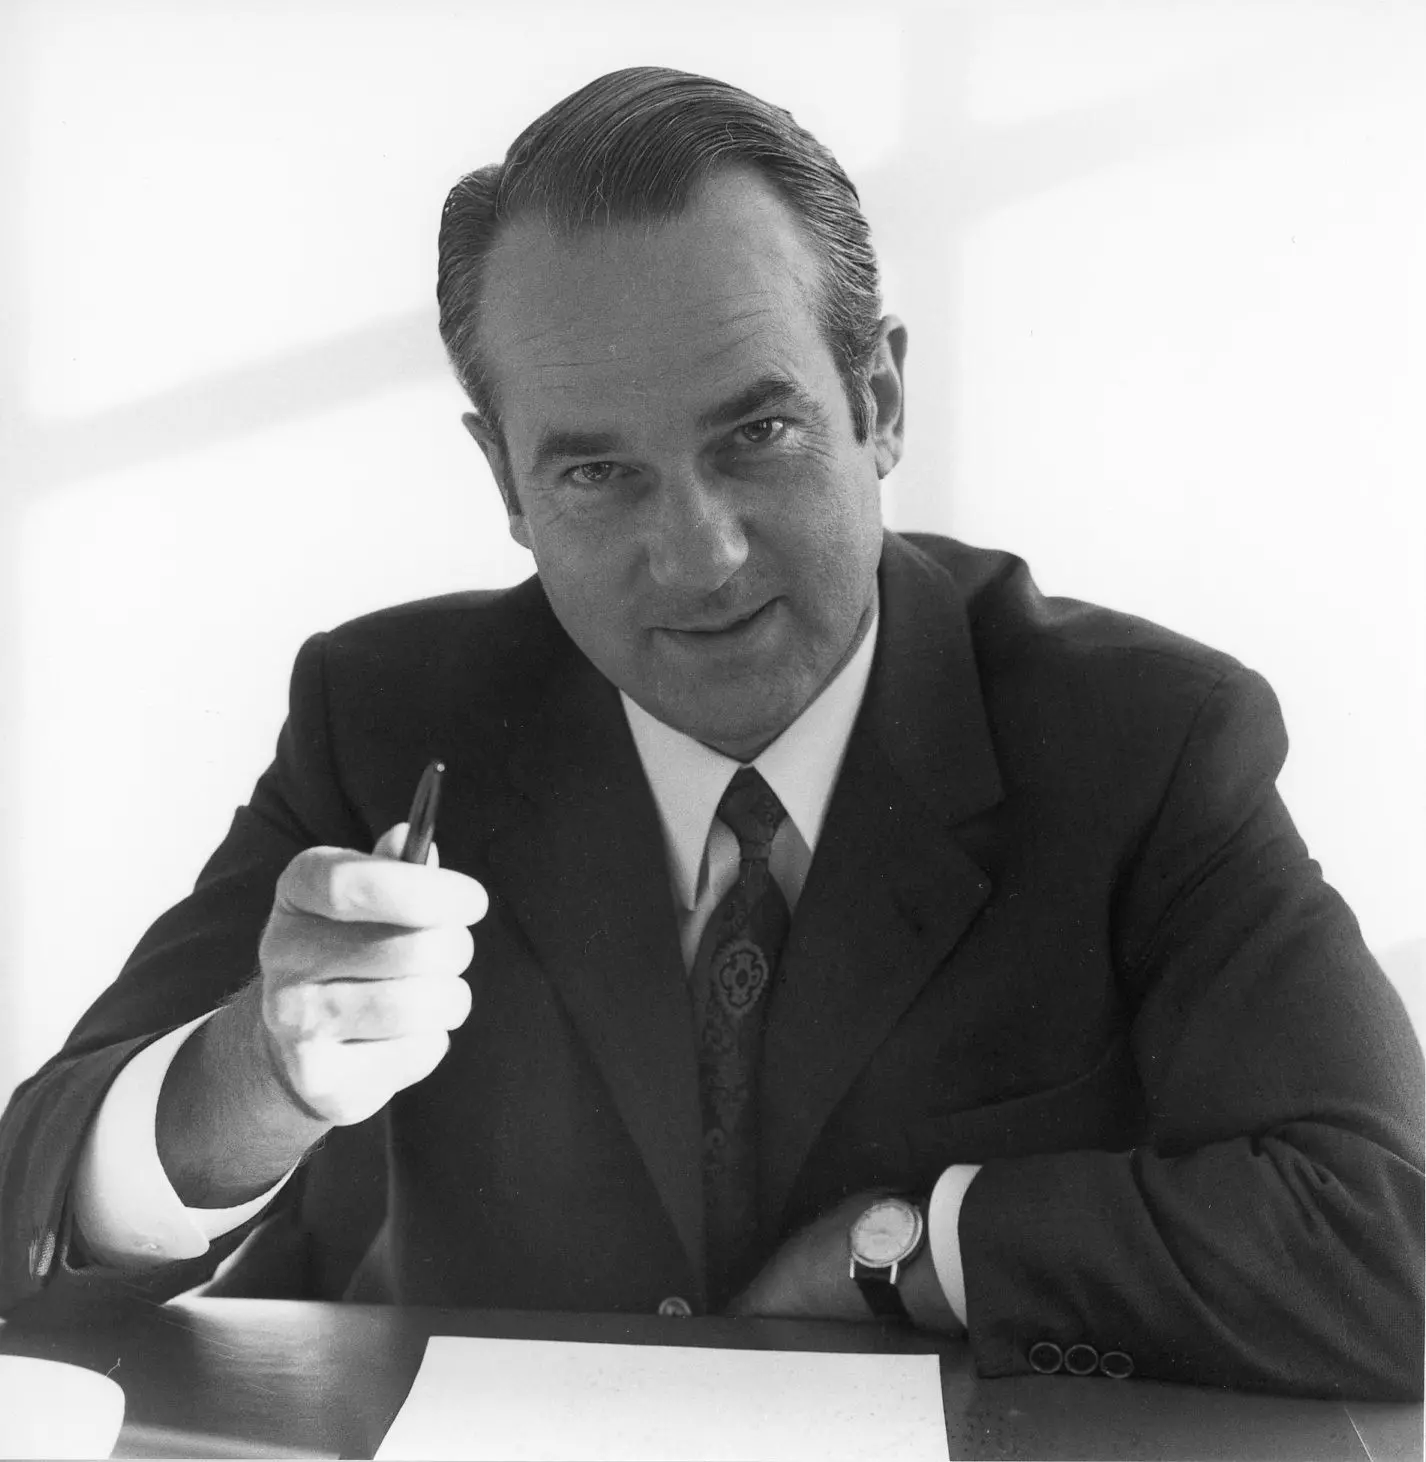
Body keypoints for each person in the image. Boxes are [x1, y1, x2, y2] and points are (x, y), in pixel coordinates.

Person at [0, 66, 1420, 1399]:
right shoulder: (385, 715)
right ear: (504, 480)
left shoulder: (1143, 737)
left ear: (876, 403)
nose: (701, 555)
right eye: (600, 472)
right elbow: (27, 1209)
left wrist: (912, 1246)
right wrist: (260, 1073)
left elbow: (1390, 1244)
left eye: (758, 435)